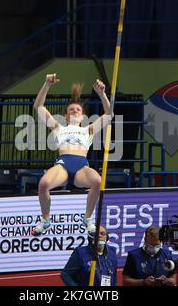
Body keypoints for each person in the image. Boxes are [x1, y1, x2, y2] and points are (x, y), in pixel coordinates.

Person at [31, 73, 112, 236]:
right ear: (66, 116)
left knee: (97, 180)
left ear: (82, 116)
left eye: (78, 109)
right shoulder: (57, 127)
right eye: (71, 109)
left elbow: (109, 115)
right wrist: (47, 84)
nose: (75, 110)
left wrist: (102, 94)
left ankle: (88, 219)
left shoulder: (88, 130)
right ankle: (46, 220)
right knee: (43, 184)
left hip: (81, 165)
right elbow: (38, 106)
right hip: (63, 164)